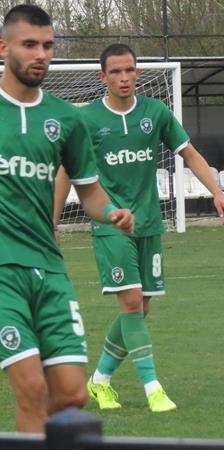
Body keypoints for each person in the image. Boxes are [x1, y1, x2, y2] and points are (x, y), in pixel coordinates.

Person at [54, 43, 224, 413]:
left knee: (139, 309)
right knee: (131, 302)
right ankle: (153, 388)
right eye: (115, 71)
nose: (123, 77)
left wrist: (216, 191)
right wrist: (50, 221)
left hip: (149, 223)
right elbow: (66, 173)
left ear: (137, 73)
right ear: (103, 77)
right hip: (109, 225)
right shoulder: (86, 120)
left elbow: (189, 153)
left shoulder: (155, 112)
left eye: (129, 70)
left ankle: (100, 381)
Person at [0, 4, 134, 432]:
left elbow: (90, 190)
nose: (40, 54)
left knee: (72, 395)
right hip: (2, 271)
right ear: (4, 48)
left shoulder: (67, 119)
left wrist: (112, 212)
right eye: (29, 45)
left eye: (48, 46)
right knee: (31, 389)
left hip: (50, 270)